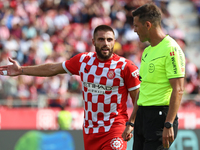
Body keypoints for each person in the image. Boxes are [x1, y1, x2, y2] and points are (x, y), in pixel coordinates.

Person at [0, 25, 140, 150]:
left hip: (115, 129)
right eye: (101, 39)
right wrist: (22, 70)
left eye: (109, 40)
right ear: (93, 42)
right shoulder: (83, 61)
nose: (106, 43)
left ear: (114, 42)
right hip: (90, 131)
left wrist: (131, 124)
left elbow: (138, 98)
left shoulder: (125, 67)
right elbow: (53, 68)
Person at [122, 2, 185, 150]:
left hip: (160, 116)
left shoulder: (171, 49)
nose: (134, 30)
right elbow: (143, 89)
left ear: (148, 25)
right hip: (142, 118)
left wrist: (168, 123)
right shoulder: (147, 51)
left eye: (136, 26)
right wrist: (132, 122)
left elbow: (179, 89)